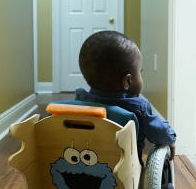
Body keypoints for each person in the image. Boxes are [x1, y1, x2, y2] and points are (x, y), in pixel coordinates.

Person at [74, 31, 176, 161]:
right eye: (140, 72)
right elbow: (159, 133)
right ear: (128, 81)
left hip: (91, 163)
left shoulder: (81, 99)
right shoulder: (139, 108)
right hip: (126, 171)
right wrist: (170, 138)